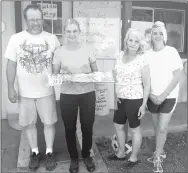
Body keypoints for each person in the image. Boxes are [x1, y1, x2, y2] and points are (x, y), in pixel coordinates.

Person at [5, 4, 60, 171]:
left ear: (43, 19)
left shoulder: (52, 39)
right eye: (32, 20)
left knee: (49, 123)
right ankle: (35, 153)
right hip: (25, 92)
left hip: (47, 91)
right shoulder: (16, 39)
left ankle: (49, 152)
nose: (35, 23)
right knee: (28, 124)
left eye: (38, 19)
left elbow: (59, 63)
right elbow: (11, 65)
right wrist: (10, 88)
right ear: (26, 20)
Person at [52, 18, 98, 173]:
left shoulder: (88, 49)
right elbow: (55, 75)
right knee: (69, 128)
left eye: (75, 31)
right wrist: (64, 76)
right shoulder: (59, 52)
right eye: (68, 31)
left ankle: (86, 155)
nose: (72, 34)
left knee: (87, 126)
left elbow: (96, 73)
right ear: (64, 33)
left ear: (79, 33)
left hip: (87, 94)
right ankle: (73, 157)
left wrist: (88, 75)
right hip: (68, 94)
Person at [108, 29, 150, 169]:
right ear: (126, 41)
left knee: (134, 129)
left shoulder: (142, 58)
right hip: (121, 98)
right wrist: (115, 98)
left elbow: (147, 83)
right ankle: (120, 153)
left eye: (136, 41)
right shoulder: (119, 56)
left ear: (140, 44)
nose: (132, 43)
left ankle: (133, 157)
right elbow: (116, 79)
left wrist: (144, 104)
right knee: (118, 125)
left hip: (135, 99)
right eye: (130, 40)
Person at [146, 21, 183, 173]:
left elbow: (177, 75)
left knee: (162, 128)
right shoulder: (146, 54)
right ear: (151, 36)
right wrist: (150, 95)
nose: (158, 36)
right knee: (157, 127)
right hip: (152, 97)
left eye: (160, 33)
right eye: (155, 33)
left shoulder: (171, 52)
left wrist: (163, 94)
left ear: (165, 35)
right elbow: (144, 78)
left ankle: (157, 157)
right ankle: (159, 150)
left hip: (168, 96)